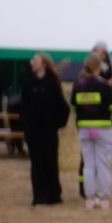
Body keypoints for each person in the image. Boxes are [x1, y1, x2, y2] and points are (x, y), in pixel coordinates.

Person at [19, 53, 69, 205]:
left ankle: (54, 194)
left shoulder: (52, 84)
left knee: (50, 161)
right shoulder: (29, 84)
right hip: (33, 131)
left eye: (35, 60)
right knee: (37, 163)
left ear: (44, 64)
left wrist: (56, 124)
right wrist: (27, 125)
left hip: (49, 132)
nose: (32, 62)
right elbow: (23, 107)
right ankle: (39, 195)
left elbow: (63, 108)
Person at [73, 52, 112, 209]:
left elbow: (73, 106)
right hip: (102, 128)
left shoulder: (78, 85)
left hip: (84, 129)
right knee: (103, 164)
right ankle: (104, 198)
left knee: (88, 165)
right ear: (98, 67)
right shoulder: (104, 85)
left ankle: (89, 199)